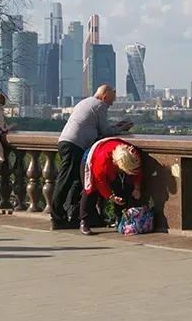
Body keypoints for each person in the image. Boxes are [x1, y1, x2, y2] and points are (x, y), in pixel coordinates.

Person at [52, 85, 132, 230]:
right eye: (111, 101)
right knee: (65, 181)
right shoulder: (99, 105)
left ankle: (73, 215)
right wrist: (121, 128)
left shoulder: (86, 102)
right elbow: (105, 131)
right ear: (104, 97)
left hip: (66, 142)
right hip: (74, 145)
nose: (111, 104)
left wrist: (115, 126)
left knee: (77, 181)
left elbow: (97, 128)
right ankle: (57, 218)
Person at [78, 138, 143, 236]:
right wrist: (111, 197)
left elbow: (137, 171)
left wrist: (137, 188)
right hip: (92, 158)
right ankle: (84, 221)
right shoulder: (103, 159)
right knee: (90, 190)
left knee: (123, 184)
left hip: (113, 159)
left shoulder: (132, 154)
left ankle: (119, 217)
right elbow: (99, 181)